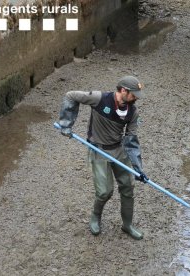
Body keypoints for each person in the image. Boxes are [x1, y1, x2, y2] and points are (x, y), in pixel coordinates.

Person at [58, 75, 148, 239]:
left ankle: (127, 225)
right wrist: (66, 124)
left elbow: (131, 140)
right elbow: (71, 95)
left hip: (119, 150)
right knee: (105, 192)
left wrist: (137, 169)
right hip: (98, 150)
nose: (136, 98)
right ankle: (95, 217)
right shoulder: (99, 99)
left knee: (128, 187)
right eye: (133, 94)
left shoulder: (132, 112)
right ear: (123, 90)